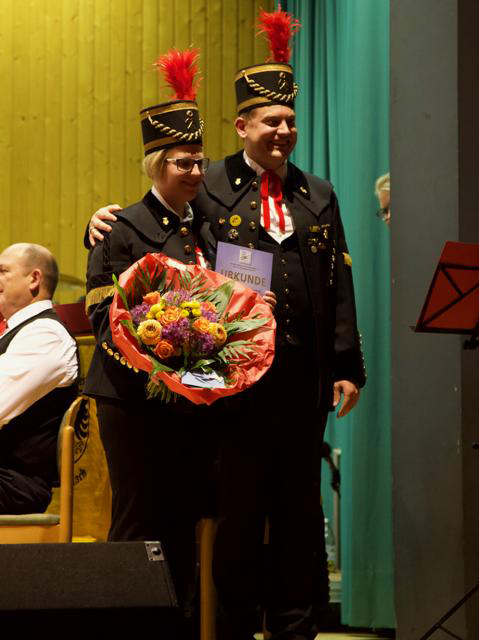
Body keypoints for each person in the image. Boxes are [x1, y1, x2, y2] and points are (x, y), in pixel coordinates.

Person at [86, 11, 365, 640]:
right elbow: (151, 223)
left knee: (299, 510)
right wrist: (97, 222)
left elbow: (337, 282)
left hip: (304, 380)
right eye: (272, 121)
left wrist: (346, 364)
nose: (284, 132)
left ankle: (297, 627)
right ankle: (233, 626)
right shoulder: (207, 185)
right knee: (237, 513)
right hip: (237, 386)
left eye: (291, 121)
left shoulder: (319, 194)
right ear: (242, 127)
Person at [0, 243, 78, 514]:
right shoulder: (23, 331)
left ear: (34, 279)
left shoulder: (45, 335)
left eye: (3, 271)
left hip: (15, 483)